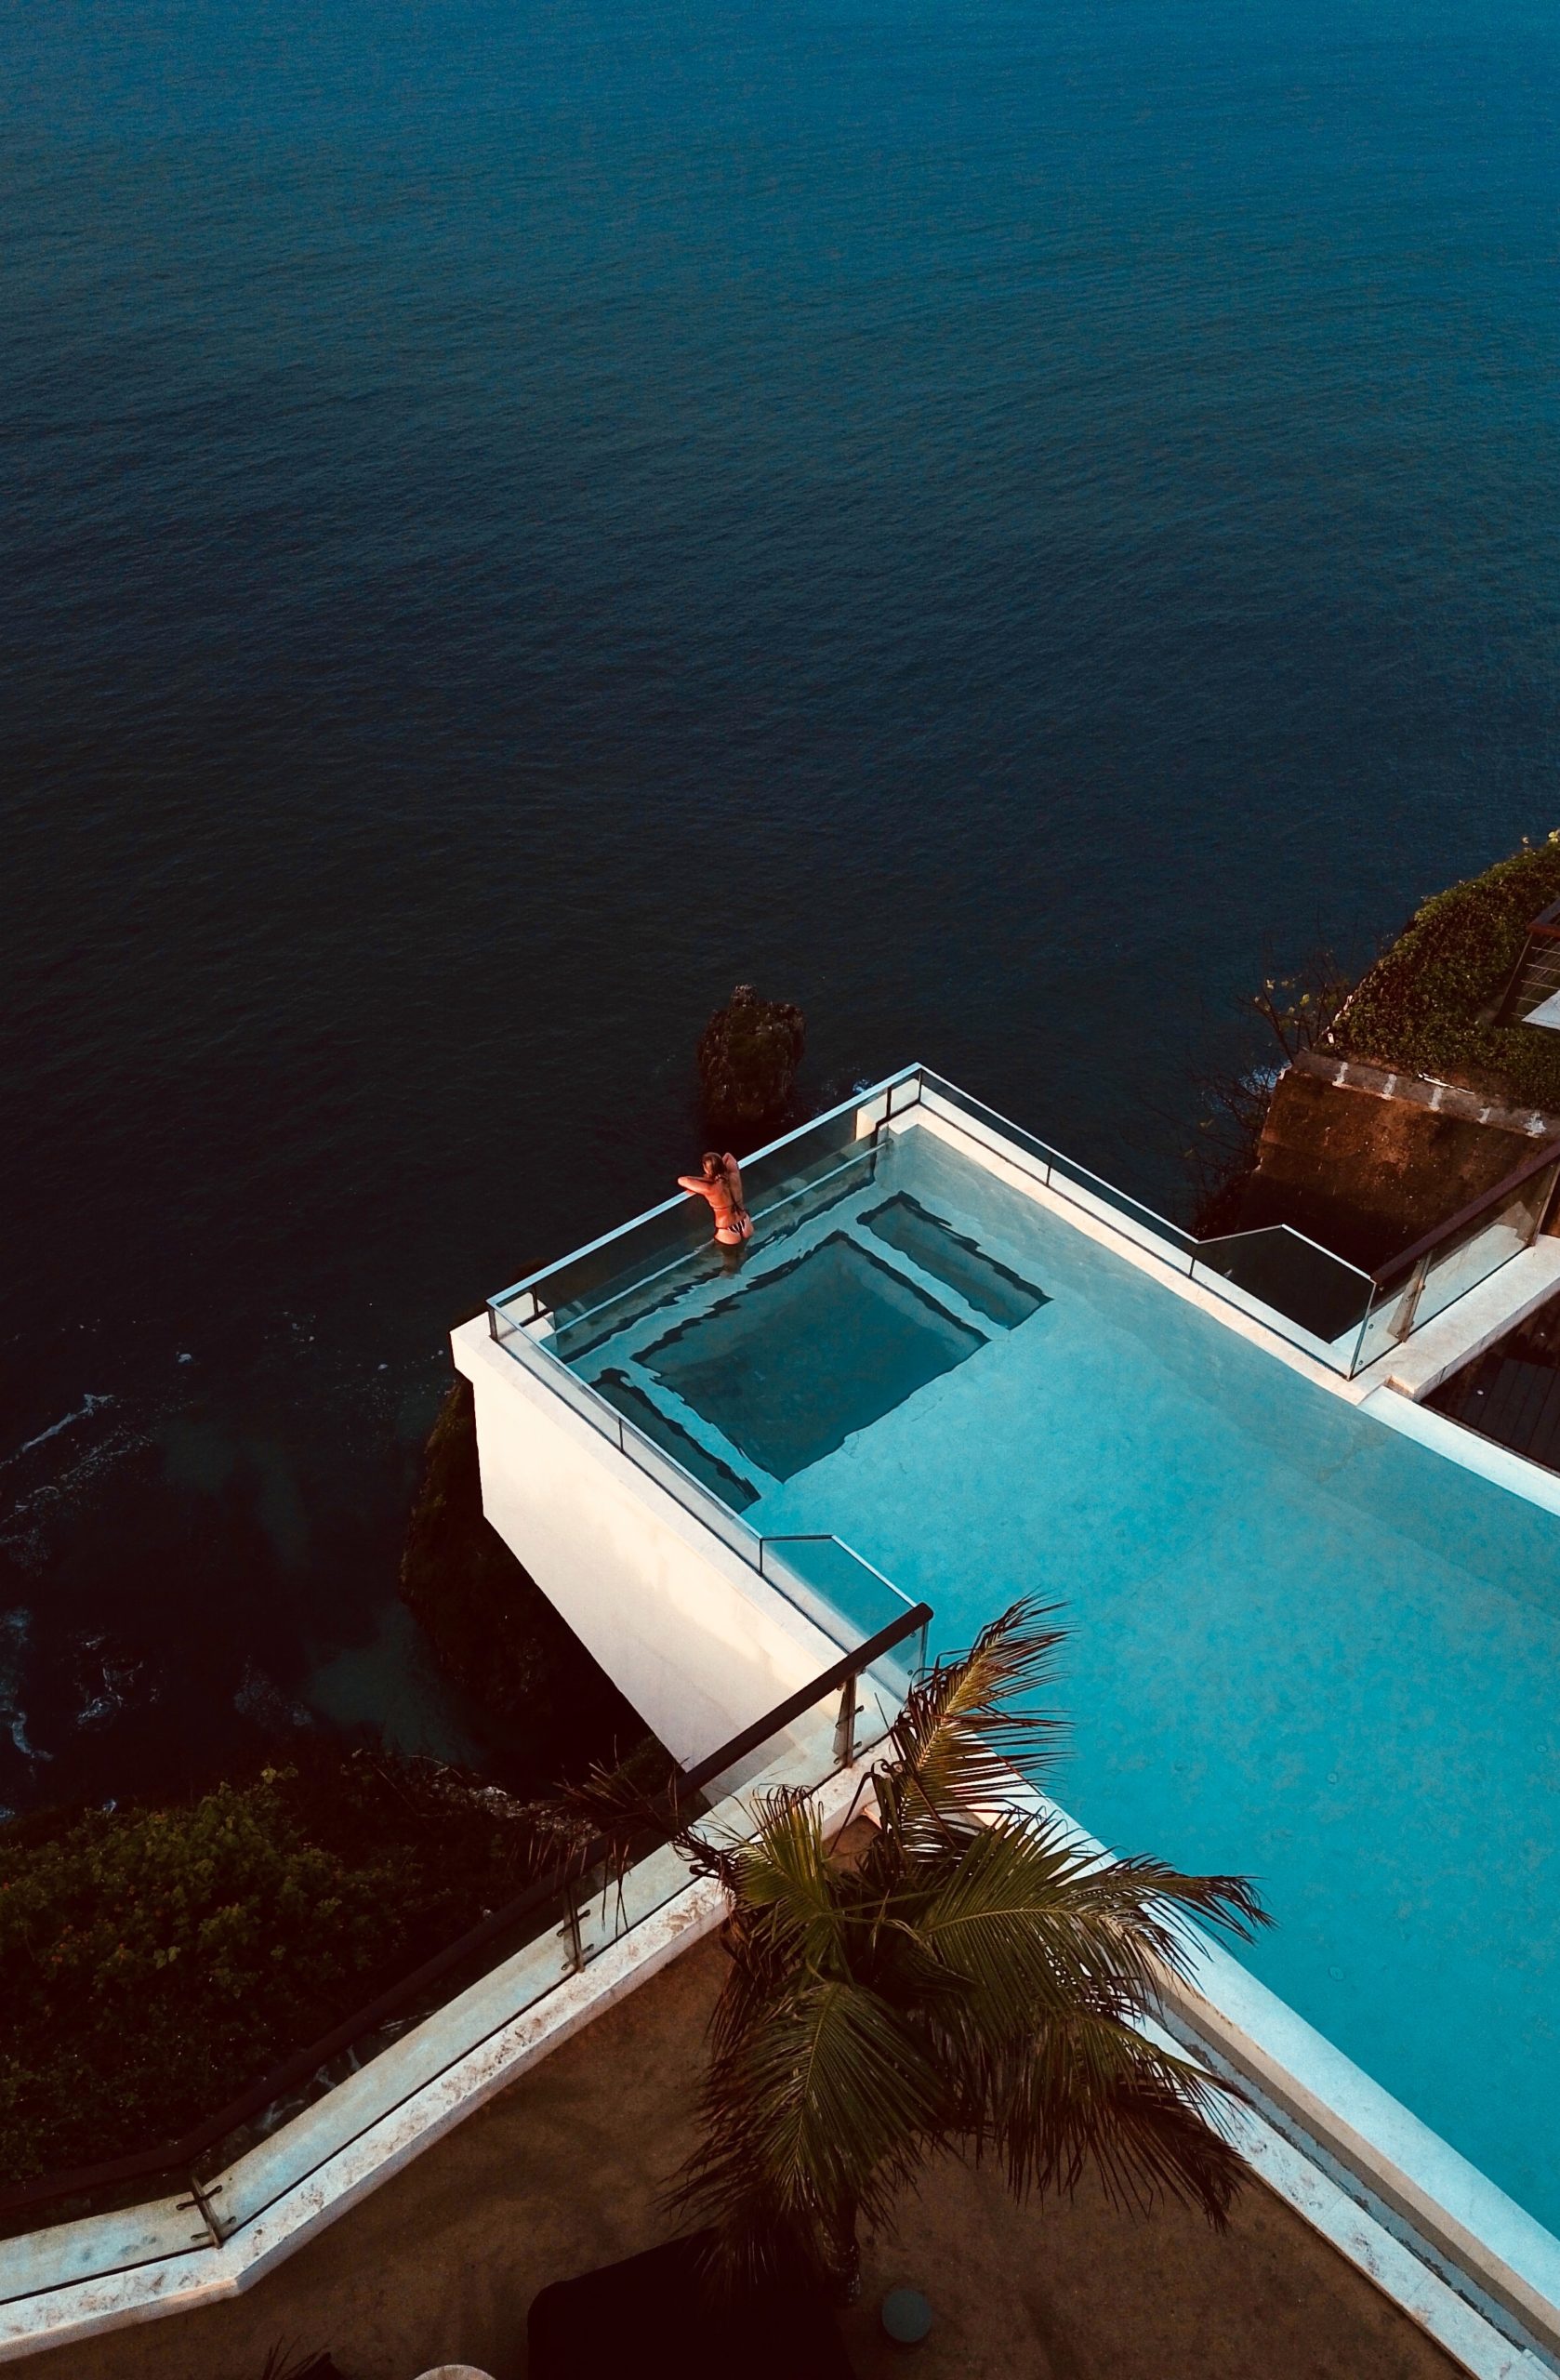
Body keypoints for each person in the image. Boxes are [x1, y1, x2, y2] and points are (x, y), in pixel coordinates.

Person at [678, 1149, 753, 1263]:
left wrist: (707, 1178)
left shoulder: (710, 1188)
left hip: (727, 1231)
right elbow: (728, 1155)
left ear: (706, 1169)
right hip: (745, 1224)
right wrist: (720, 1172)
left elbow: (682, 1180)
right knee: (742, 1252)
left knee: (729, 1265)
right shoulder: (734, 1175)